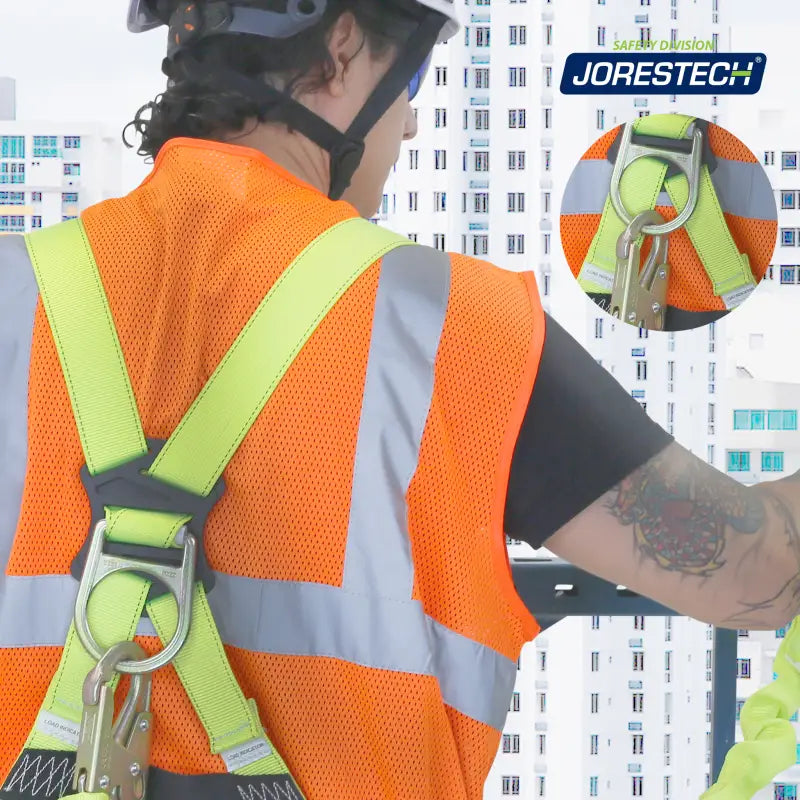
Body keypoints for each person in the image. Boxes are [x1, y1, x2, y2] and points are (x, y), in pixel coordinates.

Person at [0, 1, 797, 798]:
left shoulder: (11, 295)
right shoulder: (444, 323)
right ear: (342, 44)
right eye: (413, 77)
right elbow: (751, 574)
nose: (410, 124)